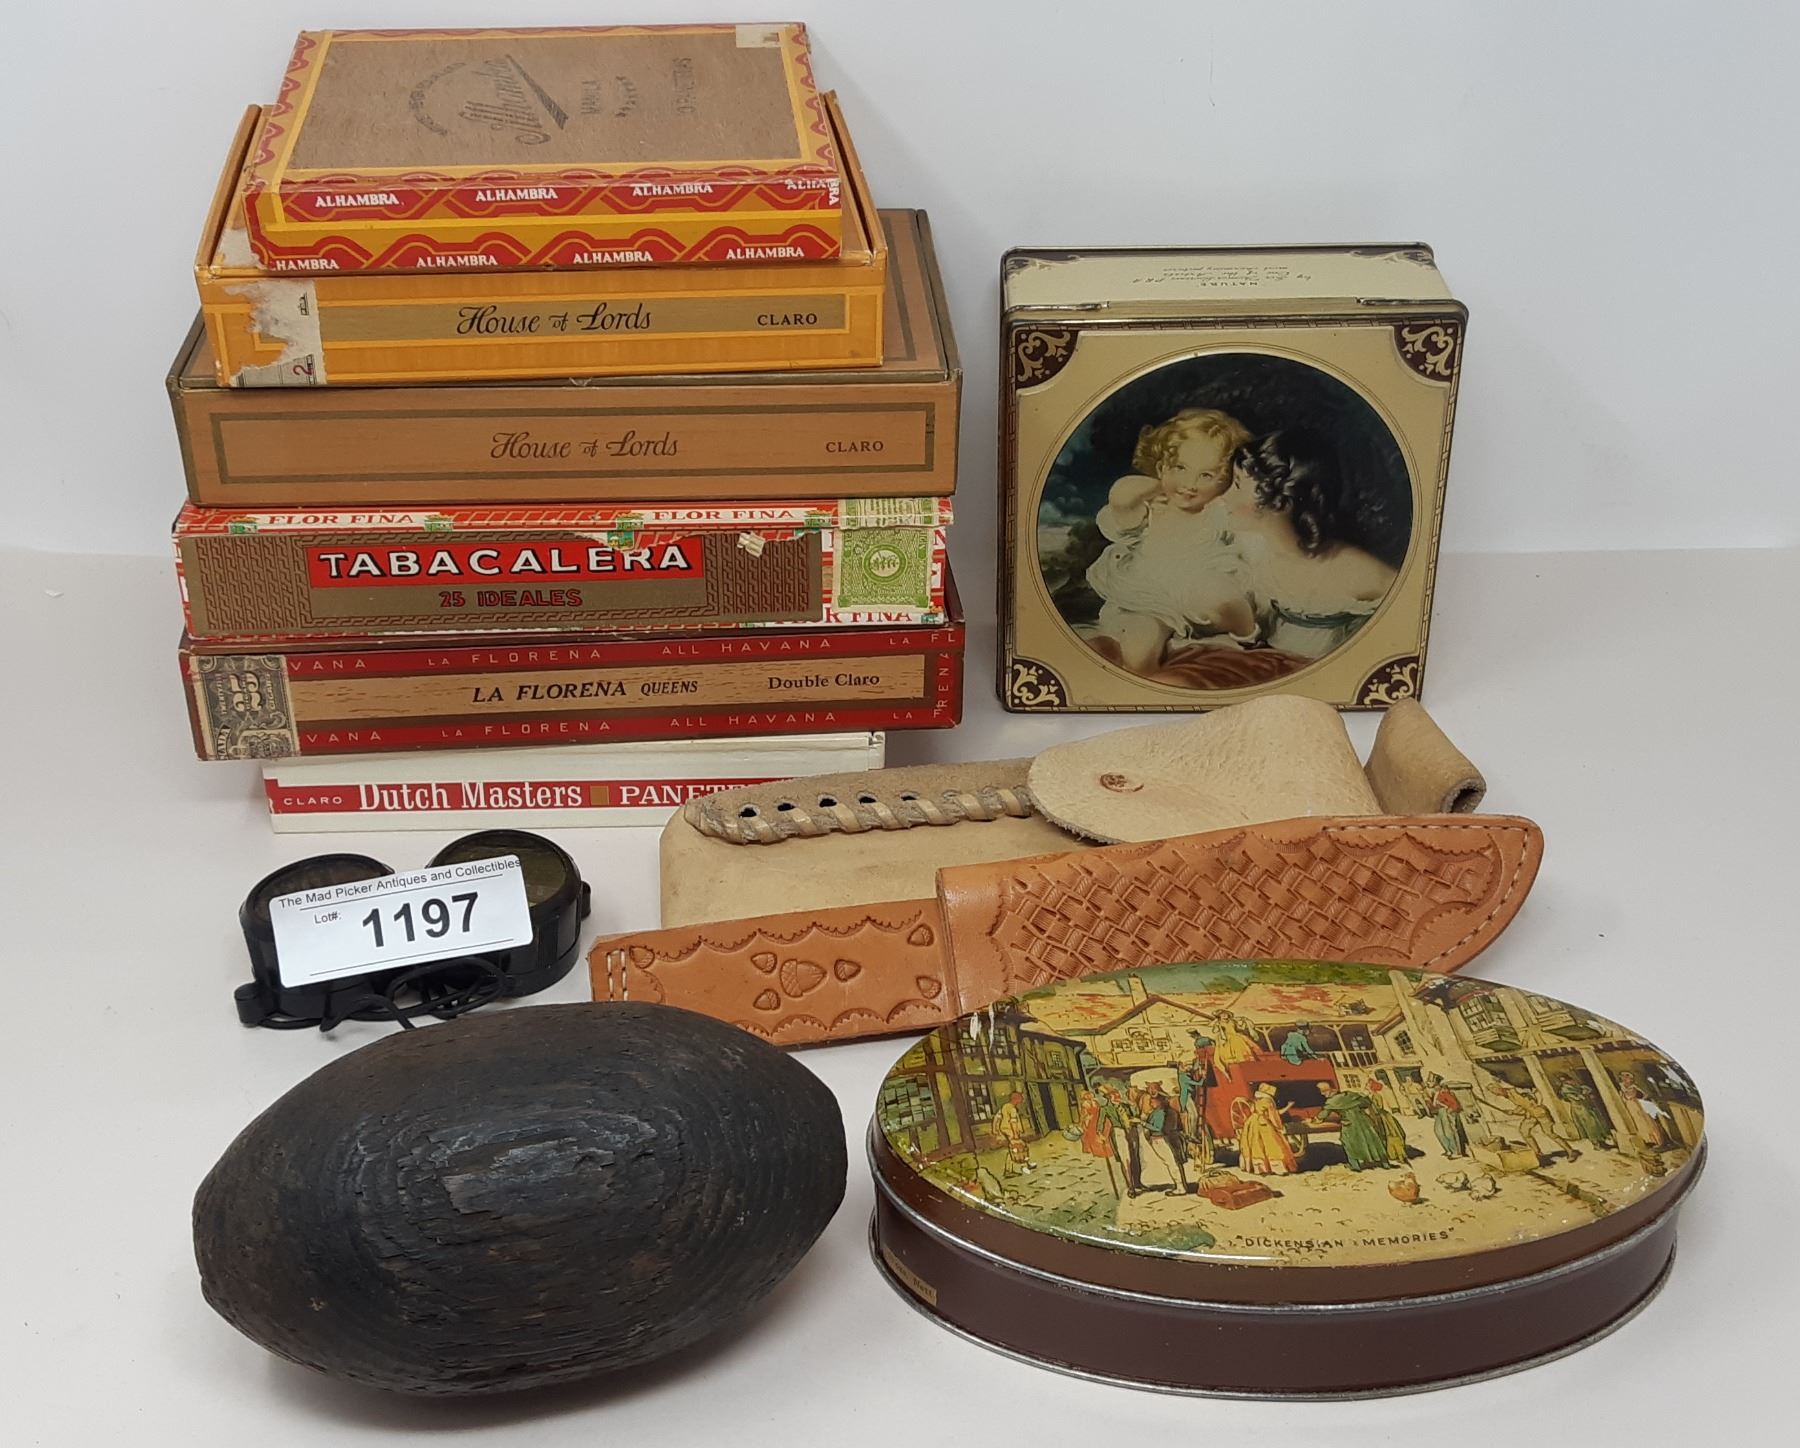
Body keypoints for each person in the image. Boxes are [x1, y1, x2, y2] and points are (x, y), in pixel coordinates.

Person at [1085, 408, 1258, 674]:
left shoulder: (1218, 510)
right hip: (1151, 600)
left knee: (1222, 597)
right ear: (1161, 467)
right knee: (1137, 653)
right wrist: (1161, 486)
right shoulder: (1150, 509)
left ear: (1224, 481)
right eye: (1180, 468)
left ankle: (1250, 639)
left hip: (1204, 596)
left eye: (1207, 475)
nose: (1190, 484)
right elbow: (1121, 494)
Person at [1216, 430, 1399, 660]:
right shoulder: (1252, 549)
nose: (1224, 497)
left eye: (1237, 485)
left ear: (1281, 501)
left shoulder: (1354, 570)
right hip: (1269, 663)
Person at [1315, 1081, 1393, 1171]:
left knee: (1348, 1142)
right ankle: (1385, 1163)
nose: (1322, 1094)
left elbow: (1322, 1115)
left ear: (1329, 1090)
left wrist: (1315, 1120)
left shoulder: (1331, 1102)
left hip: (1350, 1124)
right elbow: (1366, 1103)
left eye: (1323, 1091)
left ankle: (1355, 1165)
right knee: (1373, 1140)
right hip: (1364, 1121)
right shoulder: (1350, 1094)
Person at [1236, 1082, 1299, 1175]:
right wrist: (1279, 1126)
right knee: (1273, 1145)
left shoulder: (1257, 1101)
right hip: (1264, 1124)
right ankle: (1278, 1168)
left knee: (1257, 1145)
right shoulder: (1268, 1102)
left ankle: (1260, 1168)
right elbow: (1274, 1115)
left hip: (1252, 1123)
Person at [1141, 1083, 1192, 1193]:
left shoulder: (1160, 1112)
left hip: (1161, 1140)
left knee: (1171, 1163)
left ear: (1159, 1101)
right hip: (1165, 1139)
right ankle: (1181, 1185)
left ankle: (1180, 1187)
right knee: (1173, 1163)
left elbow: (1157, 1127)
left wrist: (1143, 1123)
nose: (1150, 1103)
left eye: (1152, 1101)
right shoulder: (1164, 1111)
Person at [1177, 1034, 1216, 1169]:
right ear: (1181, 1067)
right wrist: (1203, 1078)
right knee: (1193, 1115)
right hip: (1186, 1098)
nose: (1188, 1067)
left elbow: (1194, 1069)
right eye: (1185, 1065)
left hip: (1192, 1096)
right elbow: (1197, 1083)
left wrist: (1200, 1068)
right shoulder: (1183, 1077)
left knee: (1196, 1116)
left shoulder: (1189, 1071)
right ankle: (1192, 1135)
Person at [1099, 1084, 1145, 1196]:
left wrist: (1134, 1110)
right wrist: (1100, 1134)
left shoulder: (1126, 1105)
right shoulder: (1105, 1109)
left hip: (1132, 1131)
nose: (1116, 1095)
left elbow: (1136, 1116)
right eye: (1112, 1094)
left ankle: (1138, 1183)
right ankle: (1131, 1187)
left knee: (1135, 1158)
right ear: (1108, 1097)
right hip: (1118, 1132)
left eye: (1116, 1093)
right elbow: (1100, 1123)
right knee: (1126, 1160)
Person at [1077, 1088, 1123, 1196]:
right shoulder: (1086, 1104)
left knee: (1101, 1134)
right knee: (1093, 1136)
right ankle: (1098, 1150)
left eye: (1089, 1094)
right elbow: (1084, 1114)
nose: (1089, 1096)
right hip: (1092, 1120)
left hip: (1096, 1119)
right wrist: (1084, 1121)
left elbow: (1096, 1112)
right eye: (1087, 1095)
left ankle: (1105, 1150)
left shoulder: (1093, 1103)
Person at [1616, 1072, 1674, 1151]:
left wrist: (1639, 1100)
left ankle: (1659, 1142)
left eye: (1627, 1077)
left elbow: (1642, 1095)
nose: (1625, 1079)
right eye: (1623, 1077)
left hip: (1640, 1109)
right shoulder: (1622, 1089)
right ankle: (1650, 1142)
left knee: (1650, 1124)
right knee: (1641, 1126)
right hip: (1632, 1110)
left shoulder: (1633, 1088)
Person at [1558, 1078, 1615, 1150]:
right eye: (1568, 1081)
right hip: (1580, 1109)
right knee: (1590, 1125)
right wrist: (1583, 1094)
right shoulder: (1565, 1089)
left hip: (1587, 1107)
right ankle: (1596, 1144)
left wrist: (1586, 1092)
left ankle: (1602, 1142)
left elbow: (1586, 1090)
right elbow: (1576, 1098)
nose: (1571, 1081)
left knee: (1597, 1124)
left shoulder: (1575, 1086)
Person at [1365, 1079, 1410, 1164]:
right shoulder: (1372, 1096)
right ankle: (1391, 1153)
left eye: (1368, 1084)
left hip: (1382, 1117)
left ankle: (1398, 1154)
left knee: (1390, 1134)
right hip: (1377, 1116)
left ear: (1371, 1087)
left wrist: (1369, 1106)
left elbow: (1378, 1107)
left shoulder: (1376, 1096)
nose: (1366, 1085)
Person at [993, 1091, 1035, 1174]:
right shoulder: (1012, 1109)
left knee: (1013, 1148)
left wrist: (995, 1129)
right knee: (1020, 1147)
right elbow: (1013, 1122)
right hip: (1011, 1131)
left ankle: (1024, 1164)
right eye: (1020, 1098)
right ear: (1016, 1099)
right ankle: (1020, 1167)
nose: (1021, 1100)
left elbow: (996, 1118)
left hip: (1004, 1130)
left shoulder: (1004, 1107)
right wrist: (1015, 1134)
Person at [1430, 1076, 1469, 1159]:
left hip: (1447, 1113)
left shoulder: (1445, 1093)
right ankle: (1448, 1150)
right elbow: (1434, 1105)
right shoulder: (1436, 1094)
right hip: (1440, 1113)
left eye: (1435, 1086)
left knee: (1449, 1132)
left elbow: (1455, 1105)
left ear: (1439, 1086)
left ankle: (1456, 1152)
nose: (1434, 1088)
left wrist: (1449, 1111)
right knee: (1438, 1131)